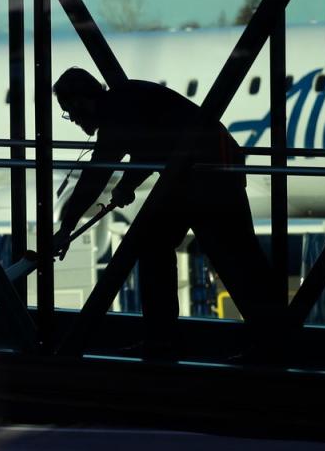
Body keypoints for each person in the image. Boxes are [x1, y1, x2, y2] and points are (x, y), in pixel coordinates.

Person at [53, 67, 282, 359]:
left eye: (68, 112)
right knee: (231, 254)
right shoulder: (125, 101)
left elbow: (97, 174)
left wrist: (67, 228)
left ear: (78, 102)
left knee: (212, 252)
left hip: (202, 173)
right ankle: (270, 339)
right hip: (205, 168)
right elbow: (152, 146)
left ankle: (166, 339)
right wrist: (126, 184)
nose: (72, 120)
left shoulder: (114, 116)